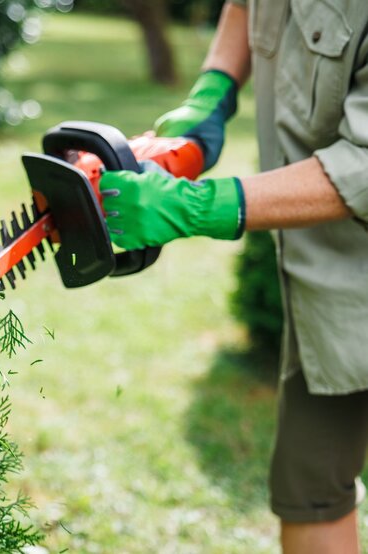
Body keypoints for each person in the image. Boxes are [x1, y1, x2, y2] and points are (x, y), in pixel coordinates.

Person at [99, 1, 368, 552]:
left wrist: (206, 206)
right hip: (327, 284)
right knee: (310, 487)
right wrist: (211, 96)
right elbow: (246, 7)